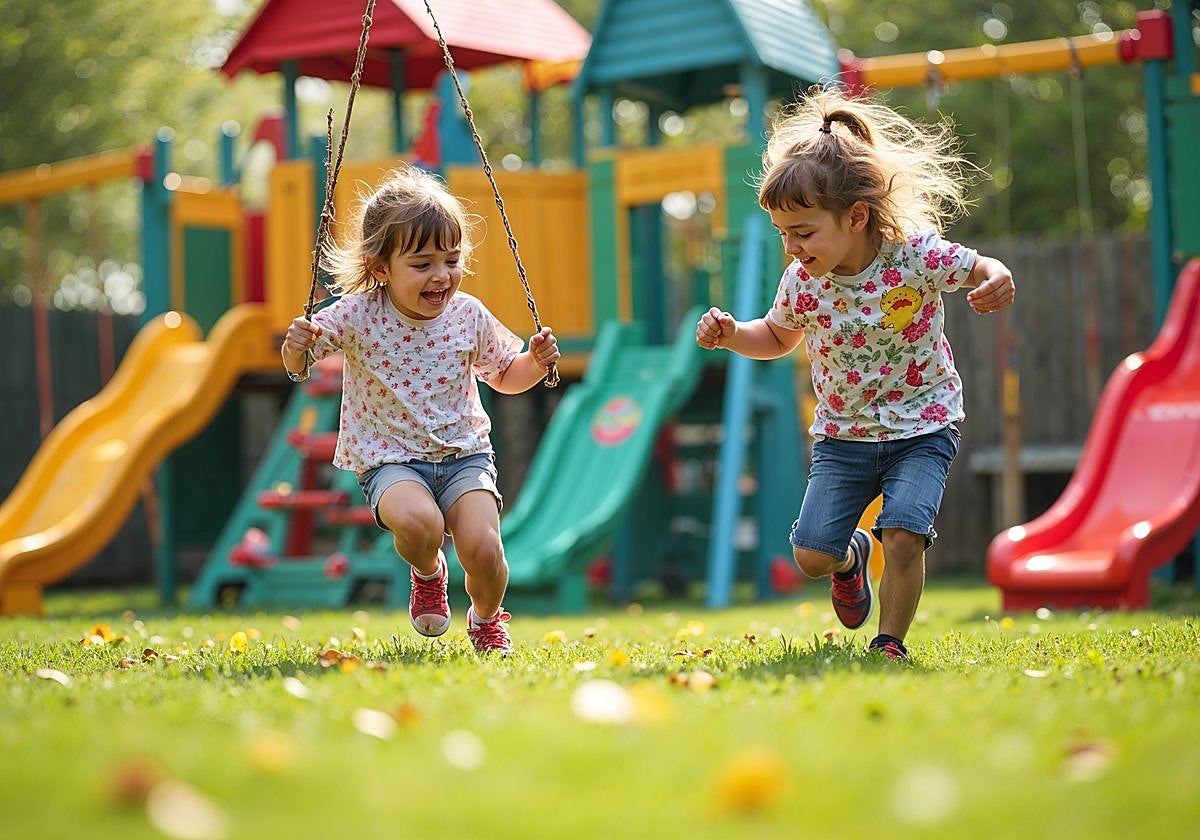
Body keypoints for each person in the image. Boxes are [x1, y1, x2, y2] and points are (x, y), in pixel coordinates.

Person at [696, 87, 1014, 661]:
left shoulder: (915, 256)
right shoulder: (803, 282)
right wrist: (731, 334)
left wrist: (996, 278)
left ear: (857, 216)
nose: (792, 248)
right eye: (784, 234)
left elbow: (979, 266)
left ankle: (889, 644)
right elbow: (775, 335)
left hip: (924, 424)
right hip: (843, 437)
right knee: (813, 555)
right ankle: (851, 558)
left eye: (804, 231)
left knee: (906, 535)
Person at [281, 166, 560, 655]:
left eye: (452, 260)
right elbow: (301, 363)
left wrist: (534, 364)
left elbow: (506, 377)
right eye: (422, 263)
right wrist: (296, 345)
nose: (441, 276)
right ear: (381, 267)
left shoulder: (468, 315)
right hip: (390, 459)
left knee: (485, 551)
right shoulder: (355, 313)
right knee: (419, 525)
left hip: (465, 456)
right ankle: (429, 573)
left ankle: (487, 619)